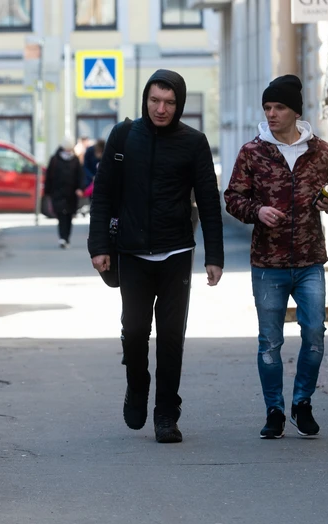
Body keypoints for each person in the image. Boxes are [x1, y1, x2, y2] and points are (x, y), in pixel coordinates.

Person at [88, 69, 224, 443]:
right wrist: (99, 246)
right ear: (145, 99)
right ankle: (137, 384)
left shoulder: (193, 143)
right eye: (154, 100)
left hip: (177, 251)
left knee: (170, 338)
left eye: (169, 102)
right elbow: (102, 194)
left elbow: (210, 202)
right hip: (131, 252)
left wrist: (215, 255)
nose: (160, 108)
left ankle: (166, 413)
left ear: (178, 105)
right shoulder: (123, 136)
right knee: (133, 332)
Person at [224, 74, 328, 439]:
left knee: (314, 335)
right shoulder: (252, 151)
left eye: (278, 107)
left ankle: (302, 402)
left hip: (309, 261)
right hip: (268, 264)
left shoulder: (319, 151)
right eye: (267, 107)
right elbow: (232, 197)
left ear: (294, 111)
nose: (271, 114)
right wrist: (257, 211)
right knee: (270, 342)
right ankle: (274, 409)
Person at [45, 139, 84, 248]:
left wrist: (81, 188)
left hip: (72, 193)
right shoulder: (55, 159)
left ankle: (66, 237)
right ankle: (62, 238)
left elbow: (80, 176)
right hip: (58, 192)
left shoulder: (75, 160)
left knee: (69, 215)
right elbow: (49, 176)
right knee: (61, 215)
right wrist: (48, 191)